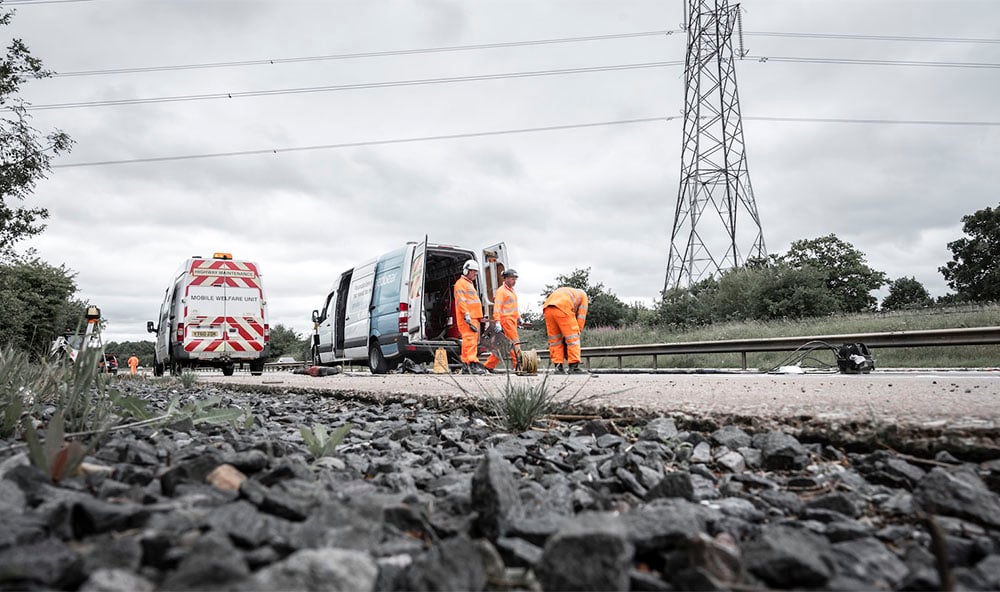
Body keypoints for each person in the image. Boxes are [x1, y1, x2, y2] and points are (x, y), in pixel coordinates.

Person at [542, 286, 589, 374]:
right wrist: (577, 332)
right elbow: (581, 317)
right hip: (563, 307)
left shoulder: (569, 292)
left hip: (547, 309)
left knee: (555, 340)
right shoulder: (583, 296)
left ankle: (558, 367)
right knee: (573, 339)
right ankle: (574, 367)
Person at [484, 268, 521, 373]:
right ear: (506, 279)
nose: (514, 281)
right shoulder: (501, 291)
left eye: (515, 279)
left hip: (512, 320)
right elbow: (497, 307)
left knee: (501, 346)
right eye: (512, 278)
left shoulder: (511, 291)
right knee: (515, 343)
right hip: (506, 321)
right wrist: (497, 321)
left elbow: (513, 307)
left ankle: (488, 366)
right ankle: (518, 365)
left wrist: (519, 318)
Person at [453, 259, 487, 374]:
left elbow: (473, 302)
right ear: (467, 271)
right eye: (474, 272)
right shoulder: (460, 284)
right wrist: (466, 313)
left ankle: (469, 365)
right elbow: (461, 301)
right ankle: (469, 363)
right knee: (469, 341)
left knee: (472, 341)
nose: (475, 274)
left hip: (473, 318)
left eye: (476, 272)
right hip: (467, 318)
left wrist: (480, 317)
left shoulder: (468, 284)